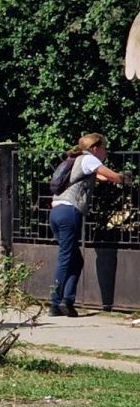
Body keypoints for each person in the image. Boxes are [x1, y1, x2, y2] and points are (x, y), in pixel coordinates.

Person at [48, 133, 132, 317]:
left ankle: (67, 302)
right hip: (69, 212)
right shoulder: (88, 159)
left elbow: (100, 177)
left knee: (75, 260)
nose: (106, 152)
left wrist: (108, 178)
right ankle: (54, 302)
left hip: (56, 212)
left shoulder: (74, 159)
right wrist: (124, 178)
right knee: (65, 257)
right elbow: (112, 176)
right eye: (104, 148)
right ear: (95, 147)